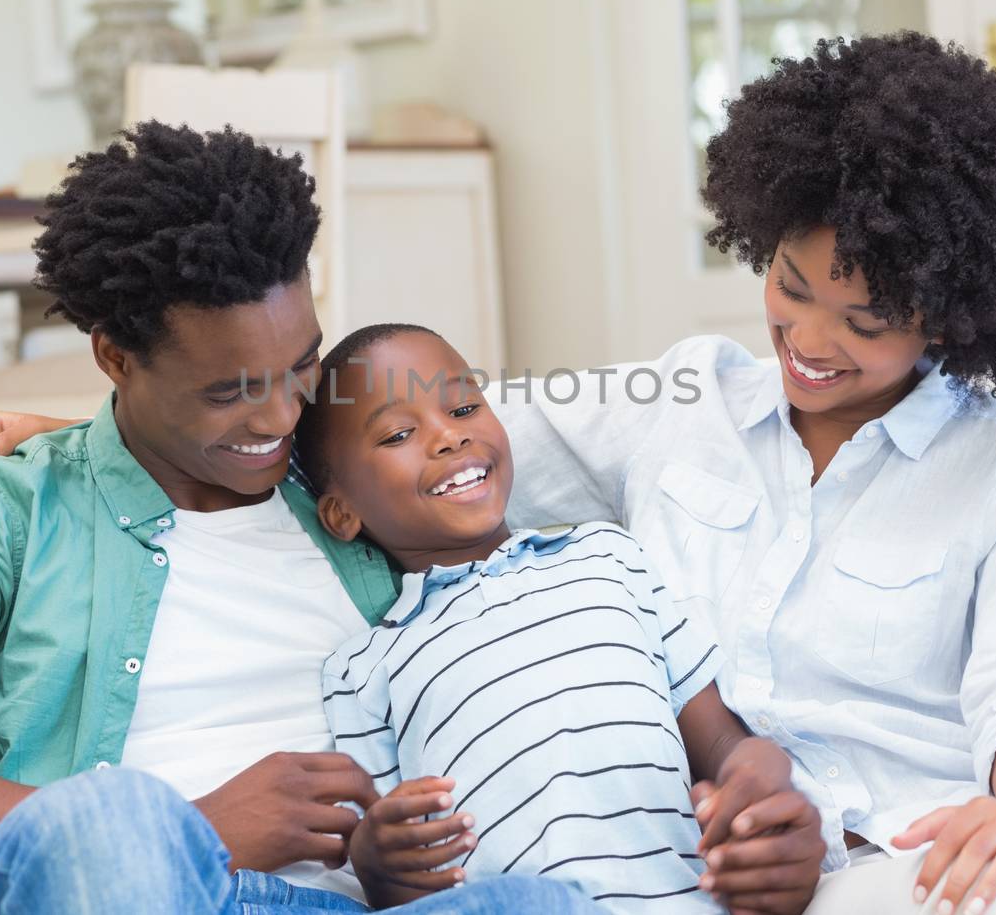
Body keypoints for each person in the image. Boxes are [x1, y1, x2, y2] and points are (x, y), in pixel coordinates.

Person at [0, 33, 996, 914]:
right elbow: (391, 422)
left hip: (887, 840)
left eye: (864, 324)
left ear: (958, 313)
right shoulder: (681, 398)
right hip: (661, 853)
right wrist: (97, 427)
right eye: (789, 287)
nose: (807, 341)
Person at [0, 122, 603, 915]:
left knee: (543, 902)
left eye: (303, 362)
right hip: (140, 884)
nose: (282, 415)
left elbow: (487, 437)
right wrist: (201, 827)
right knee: (110, 820)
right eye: (231, 390)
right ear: (115, 358)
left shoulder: (350, 476)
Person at [295, 323, 825, 912]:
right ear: (342, 514)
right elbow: (385, 869)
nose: (449, 436)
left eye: (466, 406)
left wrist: (761, 779)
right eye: (398, 433)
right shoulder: (363, 667)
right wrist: (377, 861)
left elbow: (723, 741)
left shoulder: (608, 556)